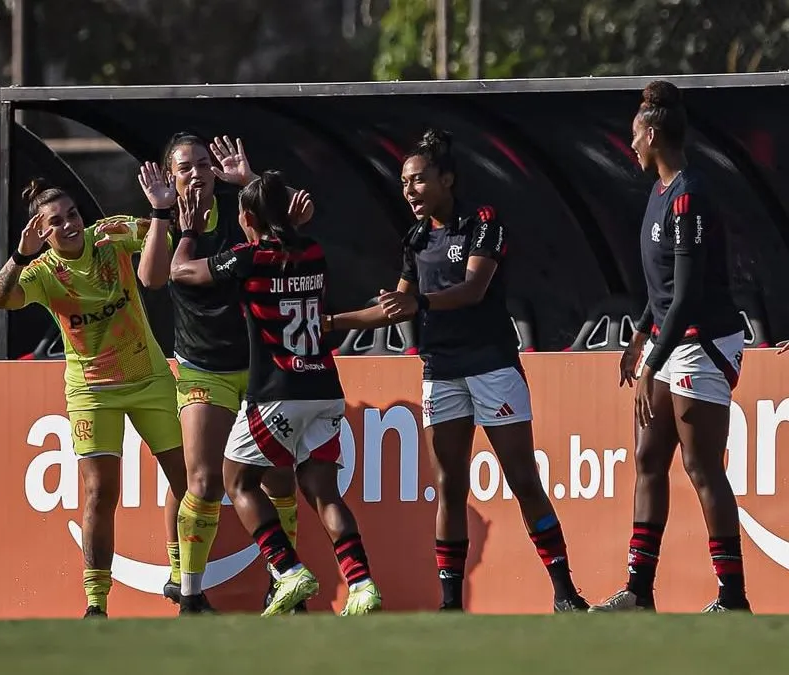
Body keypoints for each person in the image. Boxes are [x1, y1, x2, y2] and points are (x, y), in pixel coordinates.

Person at [325, 130, 589, 613]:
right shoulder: (416, 238)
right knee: (449, 486)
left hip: (492, 366)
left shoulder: (482, 222)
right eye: (404, 183)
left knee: (523, 479)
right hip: (440, 371)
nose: (409, 190)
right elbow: (395, 307)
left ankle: (564, 593)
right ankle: (450, 605)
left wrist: (419, 302)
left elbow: (473, 288)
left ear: (447, 179)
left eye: (418, 180)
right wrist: (331, 322)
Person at [168, 171, 381, 616]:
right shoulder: (314, 250)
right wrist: (288, 221)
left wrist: (188, 231)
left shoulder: (249, 258)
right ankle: (362, 584)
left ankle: (287, 569)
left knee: (237, 480)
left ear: (247, 218)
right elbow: (289, 250)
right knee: (323, 491)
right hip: (324, 386)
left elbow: (180, 271)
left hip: (277, 391)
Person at [0, 175, 189, 618]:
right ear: (41, 233)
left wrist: (160, 210)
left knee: (186, 479)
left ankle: (181, 578)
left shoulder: (110, 236)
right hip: (92, 391)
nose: (69, 225)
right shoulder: (42, 271)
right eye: (56, 222)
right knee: (100, 492)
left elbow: (167, 235)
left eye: (73, 214)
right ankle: (96, 603)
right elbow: (0, 299)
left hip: (149, 378)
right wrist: (20, 255)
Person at [591, 82, 750, 613]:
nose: (631, 144)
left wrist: (648, 367)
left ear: (654, 135)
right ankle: (639, 592)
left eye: (635, 135)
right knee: (647, 457)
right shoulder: (659, 193)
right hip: (667, 339)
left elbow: (686, 297)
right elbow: (660, 294)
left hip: (702, 341)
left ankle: (733, 597)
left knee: (702, 466)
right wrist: (639, 336)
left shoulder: (689, 195)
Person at [137, 133, 308, 613]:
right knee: (205, 482)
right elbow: (151, 279)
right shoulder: (164, 222)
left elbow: (298, 213)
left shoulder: (243, 211)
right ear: (170, 178)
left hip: (260, 369)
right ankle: (190, 595)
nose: (196, 174)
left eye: (203, 164)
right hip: (202, 370)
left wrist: (250, 179)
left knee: (279, 479)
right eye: (185, 168)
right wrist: (160, 214)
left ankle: (284, 584)